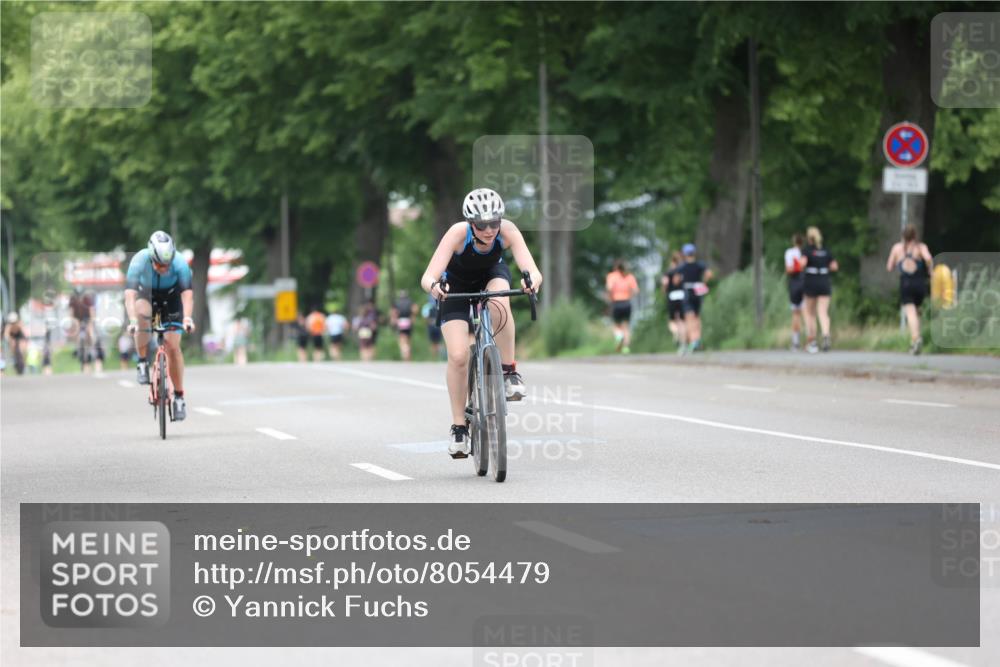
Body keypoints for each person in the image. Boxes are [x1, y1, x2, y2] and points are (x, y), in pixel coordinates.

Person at [419, 187, 542, 459]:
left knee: (500, 302)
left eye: (494, 223)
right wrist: (436, 288)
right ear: (470, 223)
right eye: (481, 224)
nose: (489, 230)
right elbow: (427, 277)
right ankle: (459, 428)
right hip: (455, 287)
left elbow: (533, 271)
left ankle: (509, 372)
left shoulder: (507, 231)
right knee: (458, 356)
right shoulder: (457, 234)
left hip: (491, 276)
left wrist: (531, 282)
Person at [124, 231, 195, 420]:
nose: (163, 268)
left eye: (167, 264)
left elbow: (187, 295)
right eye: (159, 264)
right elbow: (130, 295)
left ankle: (179, 397)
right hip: (146, 294)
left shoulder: (180, 263)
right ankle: (142, 361)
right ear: (151, 257)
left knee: (173, 346)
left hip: (172, 298)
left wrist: (187, 319)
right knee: (142, 314)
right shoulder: (139, 261)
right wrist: (132, 321)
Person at [886, 224, 933, 355]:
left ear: (903, 236)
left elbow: (889, 267)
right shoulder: (921, 247)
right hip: (920, 283)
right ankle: (915, 340)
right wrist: (930, 271)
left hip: (906, 283)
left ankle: (916, 339)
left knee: (910, 313)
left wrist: (899, 263)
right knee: (917, 313)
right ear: (915, 235)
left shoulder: (897, 248)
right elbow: (929, 259)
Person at [801, 226, 838, 354]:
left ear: (808, 238)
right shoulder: (826, 250)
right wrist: (823, 265)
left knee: (810, 313)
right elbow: (834, 266)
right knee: (823, 312)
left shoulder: (807, 250)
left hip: (811, 282)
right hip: (824, 281)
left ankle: (812, 340)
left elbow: (802, 264)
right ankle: (826, 336)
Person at [678, 243, 713, 353]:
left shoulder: (682, 266)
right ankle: (696, 340)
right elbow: (709, 274)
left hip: (688, 291)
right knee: (697, 317)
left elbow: (676, 280)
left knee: (689, 318)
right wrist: (703, 283)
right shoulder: (700, 264)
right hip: (698, 290)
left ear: (684, 254)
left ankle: (692, 341)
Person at [606, 259, 639, 354]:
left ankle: (619, 337)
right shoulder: (630, 276)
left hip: (616, 303)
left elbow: (609, 289)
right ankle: (626, 348)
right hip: (627, 303)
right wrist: (629, 295)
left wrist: (610, 298)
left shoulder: (611, 276)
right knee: (626, 327)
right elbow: (636, 290)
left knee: (616, 325)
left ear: (616, 267)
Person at [661, 251, 687, 354]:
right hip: (681, 295)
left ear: (672, 260)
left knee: (672, 321)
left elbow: (665, 283)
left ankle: (675, 332)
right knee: (682, 321)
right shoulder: (682, 270)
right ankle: (683, 344)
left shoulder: (668, 272)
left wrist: (664, 291)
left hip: (671, 296)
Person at [784, 233, 807, 351]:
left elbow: (789, 269)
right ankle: (810, 341)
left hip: (794, 283)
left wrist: (795, 268)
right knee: (807, 314)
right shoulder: (806, 252)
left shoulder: (789, 252)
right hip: (806, 282)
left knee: (795, 313)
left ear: (794, 242)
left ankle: (796, 342)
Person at [390, 290, 417, 361]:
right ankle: (408, 355)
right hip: (408, 321)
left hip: (400, 321)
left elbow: (393, 312)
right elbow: (415, 309)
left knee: (402, 339)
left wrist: (394, 320)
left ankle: (405, 353)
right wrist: (413, 317)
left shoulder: (396, 302)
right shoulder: (410, 302)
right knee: (408, 339)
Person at [421, 294, 444, 360]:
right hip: (438, 326)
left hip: (430, 326)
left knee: (432, 342)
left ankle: (434, 357)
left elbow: (425, 317)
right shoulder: (440, 305)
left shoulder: (426, 306)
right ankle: (438, 357)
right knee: (438, 342)